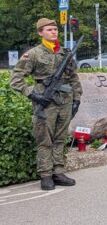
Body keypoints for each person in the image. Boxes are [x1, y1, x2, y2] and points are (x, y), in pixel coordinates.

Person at [10, 18, 82, 190]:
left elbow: (73, 77)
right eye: (49, 29)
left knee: (60, 138)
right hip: (45, 101)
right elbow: (15, 79)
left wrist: (77, 98)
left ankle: (58, 172)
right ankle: (46, 175)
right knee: (45, 140)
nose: (53, 32)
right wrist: (33, 95)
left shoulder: (65, 53)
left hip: (64, 100)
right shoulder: (33, 54)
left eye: (55, 29)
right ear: (40, 33)